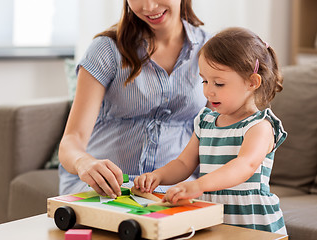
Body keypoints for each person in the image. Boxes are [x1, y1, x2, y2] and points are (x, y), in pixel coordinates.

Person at [134, 27, 287, 234]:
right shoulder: (205, 121)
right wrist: (158, 176)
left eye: (219, 83)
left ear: (252, 82)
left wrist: (199, 185)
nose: (208, 90)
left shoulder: (260, 126)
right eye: (204, 80)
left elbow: (243, 165)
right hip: (211, 214)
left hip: (251, 221)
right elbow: (183, 163)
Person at [58, 0, 211, 199]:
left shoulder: (209, 50)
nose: (148, 7)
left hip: (175, 188)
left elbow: (216, 131)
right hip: (106, 186)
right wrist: (83, 162)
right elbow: (72, 140)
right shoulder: (107, 49)